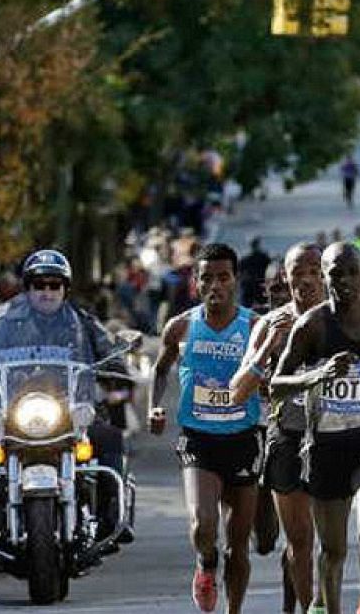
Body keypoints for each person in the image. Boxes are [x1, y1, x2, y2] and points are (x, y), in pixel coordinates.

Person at [270, 243, 360, 614]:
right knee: (332, 550)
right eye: (336, 273)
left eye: (352, 272)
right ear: (325, 276)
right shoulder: (313, 325)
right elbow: (275, 385)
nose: (345, 281)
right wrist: (317, 374)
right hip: (324, 445)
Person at [150, 243, 265, 613]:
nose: (216, 285)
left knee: (238, 542)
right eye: (207, 278)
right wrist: (155, 405)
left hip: (244, 439)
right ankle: (205, 563)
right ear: (196, 283)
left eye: (223, 277)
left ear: (235, 281)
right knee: (203, 524)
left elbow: (275, 374)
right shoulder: (182, 326)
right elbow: (160, 369)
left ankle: (233, 609)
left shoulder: (254, 326)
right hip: (199, 439)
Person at [229, 243, 325, 614]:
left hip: (336, 438)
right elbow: (238, 391)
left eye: (314, 270)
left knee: (331, 541)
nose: (305, 279)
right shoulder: (271, 324)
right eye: (297, 272)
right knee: (297, 538)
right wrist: (266, 348)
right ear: (285, 276)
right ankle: (308, 607)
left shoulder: (343, 319)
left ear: (326, 274)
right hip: (286, 436)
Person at [238, 237, 273, 310]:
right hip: (259, 283)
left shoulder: (246, 258)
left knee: (246, 304)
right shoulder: (263, 257)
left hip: (250, 284)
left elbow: (240, 270)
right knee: (263, 303)